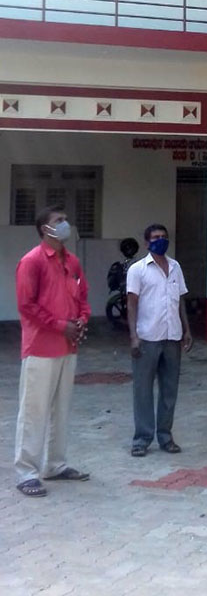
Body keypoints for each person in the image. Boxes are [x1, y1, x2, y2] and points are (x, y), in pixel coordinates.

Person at [14, 206, 91, 498]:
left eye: (65, 219)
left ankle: (56, 464)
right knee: (34, 410)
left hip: (68, 345)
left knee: (62, 408)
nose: (65, 224)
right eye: (58, 221)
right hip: (41, 346)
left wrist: (82, 319)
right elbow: (26, 305)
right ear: (44, 229)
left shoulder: (72, 262)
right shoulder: (31, 262)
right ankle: (26, 472)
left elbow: (83, 296)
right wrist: (61, 325)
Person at [127, 223, 193, 457]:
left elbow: (180, 300)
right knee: (143, 390)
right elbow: (132, 304)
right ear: (147, 242)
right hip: (147, 337)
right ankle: (142, 439)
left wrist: (186, 329)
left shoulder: (175, 267)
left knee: (169, 390)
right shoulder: (138, 270)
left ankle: (165, 436)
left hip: (172, 337)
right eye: (156, 237)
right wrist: (134, 336)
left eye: (164, 237)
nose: (160, 240)